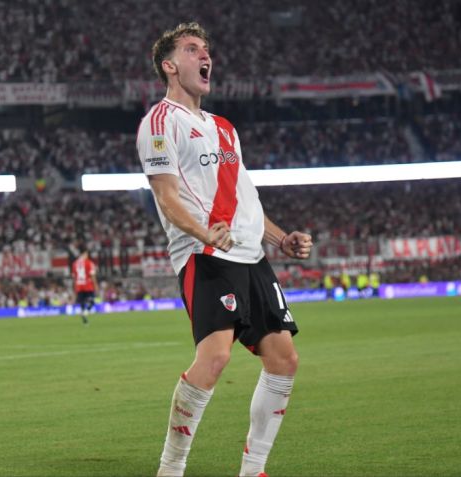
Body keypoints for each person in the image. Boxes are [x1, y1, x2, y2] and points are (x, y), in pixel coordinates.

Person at [136, 23, 314, 477]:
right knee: (214, 358)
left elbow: (245, 197)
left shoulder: (224, 128)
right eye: (193, 49)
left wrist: (280, 238)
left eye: (207, 49)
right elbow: (166, 194)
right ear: (170, 65)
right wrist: (202, 232)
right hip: (207, 256)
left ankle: (253, 469)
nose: (205, 55)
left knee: (284, 359)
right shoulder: (159, 122)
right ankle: (170, 469)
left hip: (253, 257)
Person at [71, 244, 98, 325]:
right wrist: (96, 285)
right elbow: (92, 275)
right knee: (92, 300)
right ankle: (86, 312)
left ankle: (84, 321)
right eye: (86, 254)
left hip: (79, 285)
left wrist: (74, 287)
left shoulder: (74, 264)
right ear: (84, 254)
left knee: (82, 302)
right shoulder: (89, 263)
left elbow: (74, 277)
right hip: (87, 285)